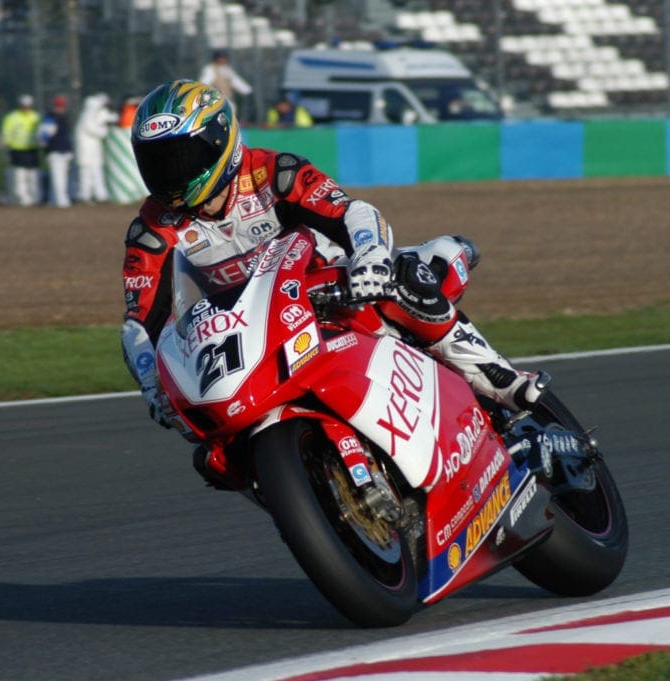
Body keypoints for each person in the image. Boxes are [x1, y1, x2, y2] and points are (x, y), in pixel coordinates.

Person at [119, 80, 547, 480]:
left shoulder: (273, 172)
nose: (171, 175)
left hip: (327, 288)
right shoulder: (154, 228)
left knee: (403, 280)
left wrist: (371, 259)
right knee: (216, 457)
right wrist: (151, 384)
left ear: (220, 142)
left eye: (182, 158)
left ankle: (502, 380)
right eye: (157, 162)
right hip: (247, 333)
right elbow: (140, 323)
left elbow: (351, 212)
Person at [74, 92, 118, 203]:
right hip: (86, 149)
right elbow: (91, 127)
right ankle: (85, 195)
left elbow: (105, 118)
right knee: (86, 173)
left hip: (93, 148)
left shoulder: (94, 112)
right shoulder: (89, 113)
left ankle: (99, 195)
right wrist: (105, 131)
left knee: (96, 171)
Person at [0, 93, 41, 206]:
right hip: (17, 150)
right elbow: (6, 133)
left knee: (33, 175)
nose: (26, 107)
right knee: (19, 176)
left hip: (32, 150)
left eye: (28, 105)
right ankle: (22, 198)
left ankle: (35, 197)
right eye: (24, 105)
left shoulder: (36, 117)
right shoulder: (12, 117)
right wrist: (8, 144)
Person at [38, 94, 73, 208]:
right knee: (59, 178)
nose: (62, 107)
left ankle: (53, 200)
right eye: (60, 105)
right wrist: (47, 147)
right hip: (55, 152)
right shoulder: (52, 118)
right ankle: (61, 201)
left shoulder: (61, 117)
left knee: (61, 177)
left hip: (63, 152)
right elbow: (43, 136)